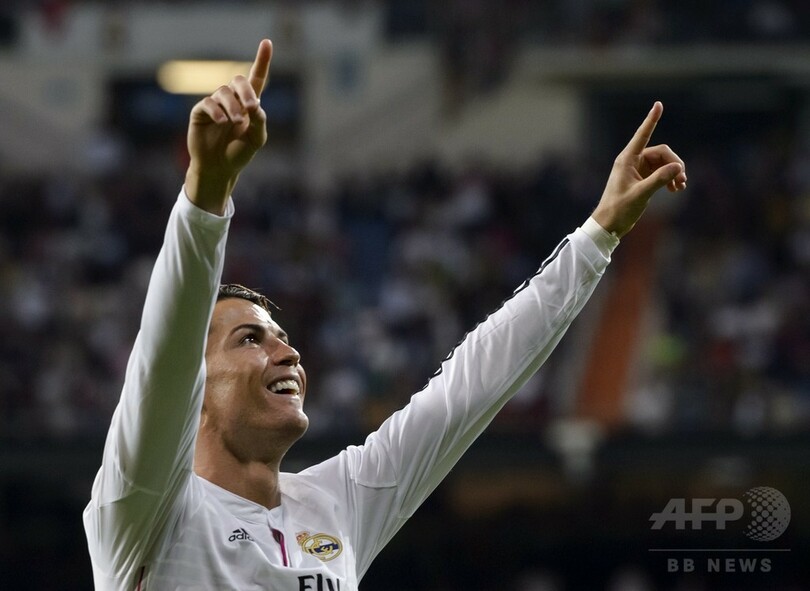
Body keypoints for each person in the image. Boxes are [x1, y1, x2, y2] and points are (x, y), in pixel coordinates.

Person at [83, 39, 687, 590]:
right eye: (249, 339)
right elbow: (163, 357)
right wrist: (207, 195)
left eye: (281, 337)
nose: (286, 353)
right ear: (195, 388)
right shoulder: (143, 509)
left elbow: (469, 388)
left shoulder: (336, 504)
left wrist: (598, 235)